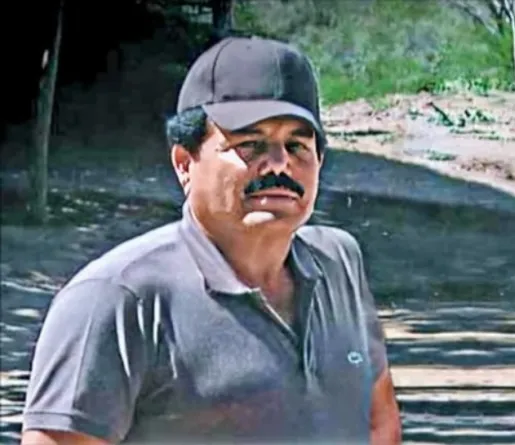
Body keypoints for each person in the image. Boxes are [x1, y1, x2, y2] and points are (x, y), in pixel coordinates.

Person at [20, 36, 402, 445]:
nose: (279, 164)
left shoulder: (339, 263)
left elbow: (378, 424)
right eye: (250, 144)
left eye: (297, 145)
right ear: (185, 163)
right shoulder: (116, 300)